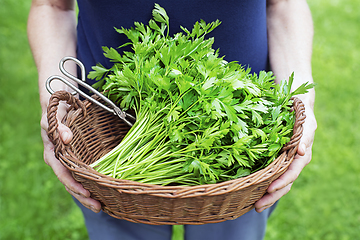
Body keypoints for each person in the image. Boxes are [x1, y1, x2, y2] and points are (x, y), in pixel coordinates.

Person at [27, 0, 316, 239]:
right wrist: (52, 104)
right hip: (105, 121)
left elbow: (285, 4)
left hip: (246, 119)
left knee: (232, 225)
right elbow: (52, 5)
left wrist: (303, 98)